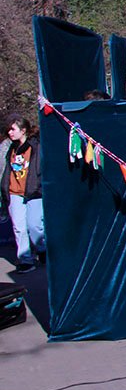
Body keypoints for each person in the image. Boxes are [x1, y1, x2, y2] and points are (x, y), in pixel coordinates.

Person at [3, 117, 44, 273]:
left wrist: (39, 184)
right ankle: (25, 259)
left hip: (33, 192)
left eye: (13, 129)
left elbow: (40, 168)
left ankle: (42, 248)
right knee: (19, 228)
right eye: (9, 130)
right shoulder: (11, 148)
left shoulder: (36, 147)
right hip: (15, 192)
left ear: (23, 130)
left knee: (35, 226)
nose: (10, 132)